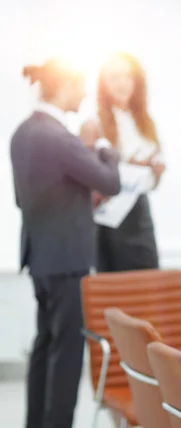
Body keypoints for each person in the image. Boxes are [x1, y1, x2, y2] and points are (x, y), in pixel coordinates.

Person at [11, 57, 121, 428]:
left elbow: (26, 197)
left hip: (39, 257)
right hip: (67, 260)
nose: (84, 95)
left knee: (45, 347)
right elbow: (110, 182)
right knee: (67, 352)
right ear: (61, 88)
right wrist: (101, 144)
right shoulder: (60, 137)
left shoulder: (22, 132)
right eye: (80, 87)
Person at [85, 51, 165, 272]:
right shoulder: (94, 123)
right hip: (110, 217)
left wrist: (156, 173)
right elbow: (90, 176)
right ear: (103, 84)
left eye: (127, 76)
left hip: (139, 212)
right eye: (114, 77)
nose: (122, 83)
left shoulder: (146, 122)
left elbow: (152, 182)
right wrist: (129, 167)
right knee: (115, 287)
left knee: (146, 282)